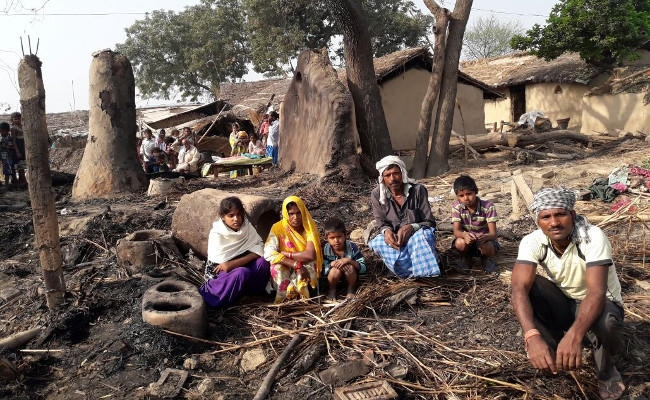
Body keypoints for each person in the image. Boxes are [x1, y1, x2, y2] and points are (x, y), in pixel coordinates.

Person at [511, 187, 625, 400]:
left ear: (572, 215)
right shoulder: (532, 241)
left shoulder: (592, 237)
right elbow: (518, 288)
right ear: (538, 221)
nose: (554, 222)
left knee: (607, 323)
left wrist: (574, 335)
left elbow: (596, 292)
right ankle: (552, 350)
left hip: (601, 303)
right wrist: (531, 335)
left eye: (560, 214)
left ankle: (607, 371)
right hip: (565, 302)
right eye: (546, 217)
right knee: (529, 288)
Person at [368, 155, 440, 278]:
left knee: (424, 236)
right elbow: (381, 222)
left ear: (403, 173)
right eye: (387, 175)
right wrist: (387, 232)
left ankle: (425, 273)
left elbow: (429, 222)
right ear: (382, 178)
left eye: (396, 173)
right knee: (378, 242)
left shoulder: (418, 190)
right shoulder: (377, 194)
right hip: (396, 239)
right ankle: (404, 272)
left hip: (416, 235)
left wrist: (411, 227)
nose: (392, 179)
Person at [199, 197, 271, 308]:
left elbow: (260, 249)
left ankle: (251, 295)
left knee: (262, 262)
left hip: (242, 268)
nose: (236, 219)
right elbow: (222, 267)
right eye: (231, 216)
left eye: (238, 214)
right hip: (223, 276)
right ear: (223, 217)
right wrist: (252, 255)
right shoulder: (217, 233)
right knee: (241, 272)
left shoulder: (247, 227)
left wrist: (234, 263)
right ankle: (221, 299)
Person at [264, 196, 322, 303]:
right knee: (278, 269)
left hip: (304, 262)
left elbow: (310, 255)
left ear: (303, 212)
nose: (296, 217)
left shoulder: (309, 228)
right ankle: (282, 301)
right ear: (286, 214)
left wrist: (286, 253)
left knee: (304, 273)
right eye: (291, 214)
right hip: (285, 263)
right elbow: (268, 252)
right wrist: (295, 264)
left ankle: (304, 300)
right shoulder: (277, 228)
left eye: (298, 213)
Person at [451, 175, 499, 273]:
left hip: (483, 241)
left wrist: (484, 237)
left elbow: (493, 234)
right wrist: (464, 235)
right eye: (461, 196)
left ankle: (485, 259)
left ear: (476, 192)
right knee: (459, 243)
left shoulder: (488, 207)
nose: (466, 198)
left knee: (488, 247)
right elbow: (456, 231)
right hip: (467, 241)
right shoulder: (457, 207)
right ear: (457, 196)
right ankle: (466, 257)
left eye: (469, 194)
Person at [322, 217, 366, 300]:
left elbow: (363, 268)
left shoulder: (352, 247)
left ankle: (351, 289)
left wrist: (349, 261)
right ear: (327, 238)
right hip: (333, 278)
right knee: (335, 270)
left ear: (345, 235)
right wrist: (331, 264)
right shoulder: (325, 249)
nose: (336, 240)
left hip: (351, 277)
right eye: (332, 238)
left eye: (339, 236)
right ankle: (332, 289)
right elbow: (322, 270)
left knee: (349, 267)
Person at [9, 112, 26, 185]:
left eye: (19, 119)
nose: (17, 120)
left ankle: (21, 180)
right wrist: (17, 151)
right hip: (18, 148)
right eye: (15, 119)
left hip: (23, 147)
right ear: (12, 120)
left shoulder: (23, 126)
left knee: (22, 165)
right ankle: (23, 180)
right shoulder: (13, 128)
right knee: (20, 165)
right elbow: (14, 141)